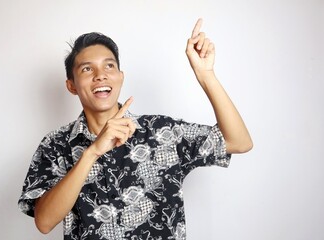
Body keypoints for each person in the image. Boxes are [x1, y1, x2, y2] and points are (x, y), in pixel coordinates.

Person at [18, 18, 253, 240]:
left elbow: (239, 142)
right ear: (71, 86)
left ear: (120, 77)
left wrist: (206, 75)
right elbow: (45, 222)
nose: (100, 75)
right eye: (87, 69)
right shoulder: (55, 144)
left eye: (109, 66)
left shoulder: (162, 132)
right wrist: (91, 153)